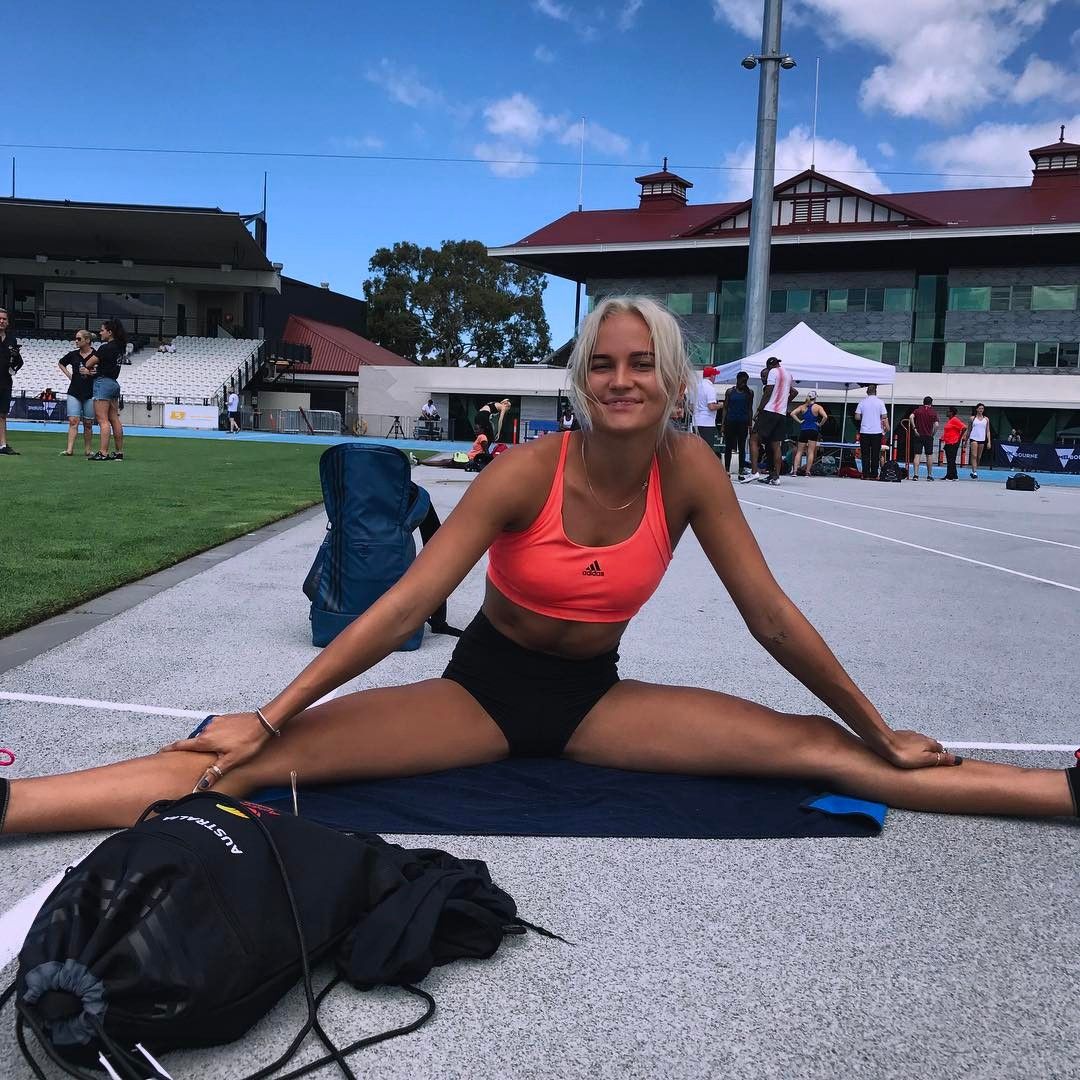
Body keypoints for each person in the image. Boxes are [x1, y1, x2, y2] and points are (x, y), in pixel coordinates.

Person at [2, 295, 1078, 840]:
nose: (621, 380)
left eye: (641, 364)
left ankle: (1060, 793)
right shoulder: (525, 471)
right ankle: (17, 804)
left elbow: (771, 617)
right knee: (241, 766)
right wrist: (272, 711)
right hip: (479, 695)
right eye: (601, 364)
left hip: (596, 702)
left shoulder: (691, 469)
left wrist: (875, 723)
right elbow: (408, 605)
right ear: (581, 380)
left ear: (674, 381)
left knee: (821, 751)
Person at [739, 357, 793, 486]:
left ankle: (754, 472)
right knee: (776, 445)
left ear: (769, 366)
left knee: (753, 439)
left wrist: (759, 409)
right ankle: (776, 477)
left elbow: (768, 391)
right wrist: (784, 402)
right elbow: (793, 391)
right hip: (781, 413)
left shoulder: (773, 372)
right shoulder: (788, 374)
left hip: (769, 411)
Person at [85, 319, 127, 461]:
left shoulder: (106, 347)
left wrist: (92, 369)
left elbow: (89, 363)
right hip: (114, 383)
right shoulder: (120, 347)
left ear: (110, 332)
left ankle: (103, 452)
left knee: (102, 419)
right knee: (114, 418)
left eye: (102, 330)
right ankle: (119, 452)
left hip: (103, 383)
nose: (100, 332)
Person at [57, 330, 98, 458]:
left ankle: (88, 450)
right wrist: (69, 375)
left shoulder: (96, 355)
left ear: (87, 340)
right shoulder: (73, 354)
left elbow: (102, 371)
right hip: (74, 391)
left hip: (90, 392)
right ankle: (69, 449)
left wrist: (91, 373)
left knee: (88, 423)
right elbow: (61, 363)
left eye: (79, 339)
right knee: (73, 421)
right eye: (76, 338)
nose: (76, 341)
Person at [721, 371, 754, 477]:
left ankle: (741, 469)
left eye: (746, 381)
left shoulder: (749, 393)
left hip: (743, 422)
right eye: (742, 381)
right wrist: (723, 424)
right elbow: (725, 408)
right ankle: (727, 469)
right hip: (730, 421)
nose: (744, 383)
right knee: (729, 446)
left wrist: (750, 425)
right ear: (737, 380)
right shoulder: (730, 392)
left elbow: (750, 409)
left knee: (742, 446)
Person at [0, 307, 23, 456]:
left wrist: (15, 359)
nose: (1, 321)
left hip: (5, 381)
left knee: (2, 414)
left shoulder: (11, 339)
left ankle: (2, 445)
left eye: (4, 319)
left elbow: (17, 362)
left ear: (7, 322)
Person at [855, 384, 889, 481]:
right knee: (875, 454)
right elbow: (884, 416)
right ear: (876, 392)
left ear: (867, 392)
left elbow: (857, 417)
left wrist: (865, 416)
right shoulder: (880, 402)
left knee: (865, 454)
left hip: (864, 431)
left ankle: (865, 474)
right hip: (876, 431)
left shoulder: (862, 402)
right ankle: (874, 474)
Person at [789, 391, 828, 476]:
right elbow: (825, 416)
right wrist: (820, 424)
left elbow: (792, 414)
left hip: (804, 430)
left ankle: (795, 471)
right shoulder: (818, 407)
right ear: (815, 398)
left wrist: (800, 421)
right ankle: (807, 472)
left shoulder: (802, 407)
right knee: (810, 452)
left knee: (799, 451)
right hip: (813, 430)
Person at [910, 396, 938, 481]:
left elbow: (911, 417)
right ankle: (929, 475)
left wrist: (914, 429)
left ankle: (915, 475)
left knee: (917, 454)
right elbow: (936, 425)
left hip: (918, 435)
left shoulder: (918, 410)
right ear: (931, 403)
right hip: (928, 436)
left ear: (923, 402)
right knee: (929, 455)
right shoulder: (933, 412)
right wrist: (933, 433)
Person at [693, 366, 720, 450]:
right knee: (707, 449)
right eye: (714, 375)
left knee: (697, 449)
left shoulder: (696, 387)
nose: (715, 377)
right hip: (707, 423)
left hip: (696, 422)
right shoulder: (710, 388)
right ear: (712, 376)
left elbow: (691, 405)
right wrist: (722, 405)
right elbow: (711, 406)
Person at [942, 407, 967, 481]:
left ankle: (954, 476)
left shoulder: (955, 420)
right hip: (948, 442)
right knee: (949, 460)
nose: (946, 412)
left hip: (953, 442)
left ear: (951, 413)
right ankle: (950, 475)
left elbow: (964, 427)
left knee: (951, 459)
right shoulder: (950, 420)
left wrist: (959, 438)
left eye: (948, 411)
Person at [968, 403, 991, 479]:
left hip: (982, 439)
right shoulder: (972, 418)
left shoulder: (986, 419)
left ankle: (974, 470)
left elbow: (988, 431)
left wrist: (989, 442)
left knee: (978, 457)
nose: (981, 410)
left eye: (982, 409)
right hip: (973, 438)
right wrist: (966, 440)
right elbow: (969, 430)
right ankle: (974, 472)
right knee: (974, 455)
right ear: (977, 409)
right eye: (980, 408)